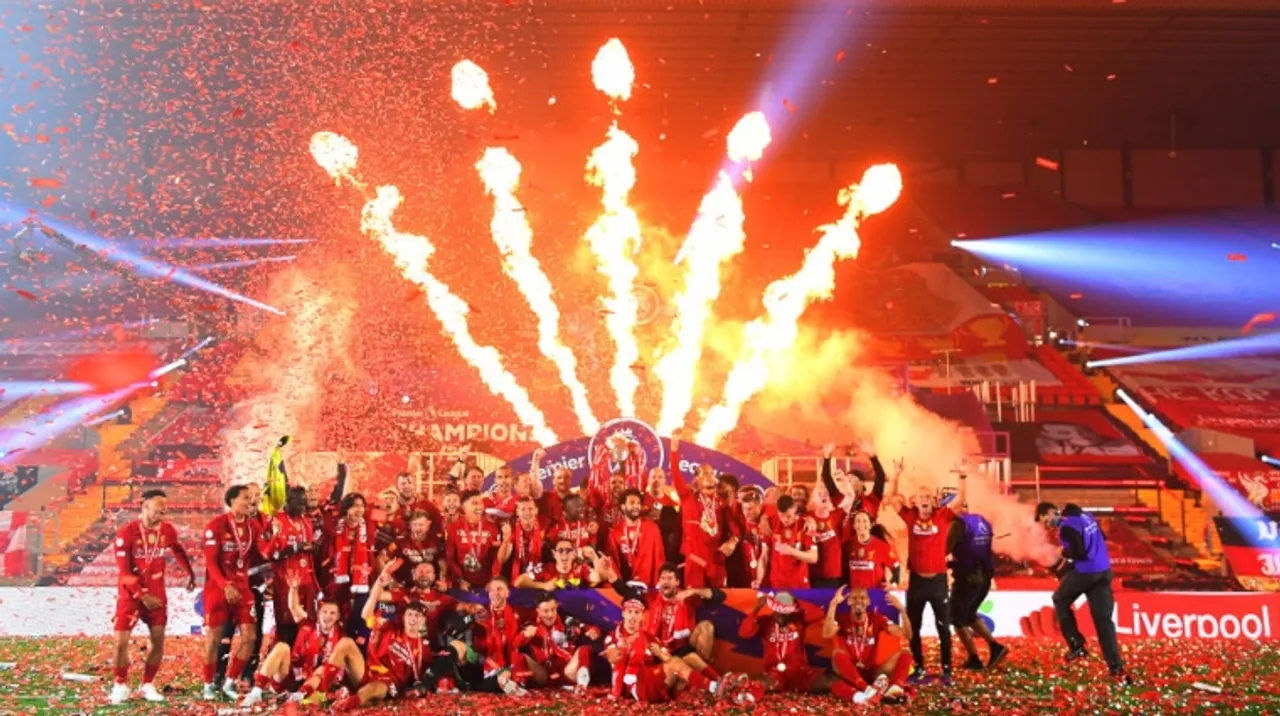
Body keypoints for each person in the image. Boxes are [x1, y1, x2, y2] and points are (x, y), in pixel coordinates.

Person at [109, 489, 195, 705]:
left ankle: (147, 684)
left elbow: (178, 550)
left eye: (164, 509)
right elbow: (124, 572)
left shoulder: (167, 530)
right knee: (121, 642)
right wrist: (141, 594)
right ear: (144, 506)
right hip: (131, 595)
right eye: (158, 508)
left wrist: (190, 573)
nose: (162, 513)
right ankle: (120, 684)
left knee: (158, 640)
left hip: (157, 595)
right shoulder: (127, 532)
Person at [886, 467, 966, 683]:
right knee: (914, 627)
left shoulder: (943, 516)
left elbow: (960, 501)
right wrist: (896, 476)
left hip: (938, 582)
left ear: (933, 501)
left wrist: (962, 477)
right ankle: (918, 667)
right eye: (921, 497)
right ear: (916, 500)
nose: (924, 500)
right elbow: (892, 498)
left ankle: (947, 670)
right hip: (917, 582)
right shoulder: (910, 516)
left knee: (943, 627)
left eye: (928, 497)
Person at [1036, 502, 1129, 682]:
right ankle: (1116, 666)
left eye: (1046, 520)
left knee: (1060, 598)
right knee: (1104, 622)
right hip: (1104, 571)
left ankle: (1076, 645)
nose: (1048, 525)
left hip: (1087, 572)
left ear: (1051, 512)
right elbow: (1102, 535)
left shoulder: (1066, 527)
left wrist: (1062, 551)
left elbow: (1079, 553)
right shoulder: (1086, 515)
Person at [603, 599, 740, 703]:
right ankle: (714, 687)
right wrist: (625, 647)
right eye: (629, 612)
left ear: (642, 616)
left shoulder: (649, 637)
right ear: (623, 613)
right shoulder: (613, 636)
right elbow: (613, 658)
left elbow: (667, 658)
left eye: (637, 612)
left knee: (689, 657)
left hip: (654, 679)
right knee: (675, 663)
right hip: (636, 686)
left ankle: (719, 681)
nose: (633, 616)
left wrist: (659, 653)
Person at [202, 484, 262, 701]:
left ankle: (229, 681)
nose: (250, 502)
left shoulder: (253, 526)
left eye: (251, 498)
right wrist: (225, 585)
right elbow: (210, 562)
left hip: (243, 589)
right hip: (218, 590)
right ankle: (208, 684)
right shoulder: (216, 525)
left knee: (250, 637)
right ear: (232, 500)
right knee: (213, 639)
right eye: (245, 498)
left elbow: (263, 552)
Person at [241, 585, 343, 707]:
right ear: (318, 613)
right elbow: (293, 607)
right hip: (292, 675)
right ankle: (256, 693)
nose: (327, 616)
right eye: (324, 612)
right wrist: (294, 588)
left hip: (313, 683)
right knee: (282, 647)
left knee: (322, 670)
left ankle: (296, 698)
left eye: (332, 613)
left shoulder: (341, 637)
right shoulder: (307, 624)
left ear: (338, 616)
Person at [609, 562, 721, 664]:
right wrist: (609, 572)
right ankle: (704, 679)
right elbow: (624, 590)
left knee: (706, 626)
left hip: (681, 647)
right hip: (658, 649)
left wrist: (694, 591)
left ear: (677, 582)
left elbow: (719, 596)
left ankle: (703, 672)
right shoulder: (651, 597)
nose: (665, 581)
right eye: (662, 578)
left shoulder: (687, 597)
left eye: (670, 578)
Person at [670, 430, 739, 588]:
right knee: (694, 600)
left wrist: (733, 541)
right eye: (704, 474)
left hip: (717, 559)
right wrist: (674, 450)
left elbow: (734, 527)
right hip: (695, 558)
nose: (709, 476)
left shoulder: (721, 502)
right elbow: (676, 473)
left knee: (720, 600)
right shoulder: (688, 497)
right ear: (697, 479)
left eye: (711, 473)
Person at [824, 586, 912, 705]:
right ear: (849, 601)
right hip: (851, 672)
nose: (859, 601)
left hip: (873, 671)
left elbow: (907, 634)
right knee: (837, 655)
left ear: (868, 601)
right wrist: (833, 606)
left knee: (905, 654)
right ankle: (866, 689)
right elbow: (827, 633)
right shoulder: (842, 619)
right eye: (854, 598)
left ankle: (895, 689)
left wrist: (902, 610)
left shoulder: (877, 619)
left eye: (862, 598)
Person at [737, 592, 830, 698]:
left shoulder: (798, 619)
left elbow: (819, 613)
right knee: (760, 684)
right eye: (778, 611)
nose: (781, 616)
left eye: (785, 612)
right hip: (775, 674)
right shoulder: (766, 622)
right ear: (774, 609)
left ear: (790, 612)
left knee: (827, 683)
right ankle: (740, 693)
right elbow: (744, 633)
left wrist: (798, 602)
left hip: (800, 673)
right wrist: (757, 609)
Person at [949, 510, 1008, 670]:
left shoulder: (957, 524)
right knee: (969, 615)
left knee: (957, 618)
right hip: (984, 575)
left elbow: (945, 548)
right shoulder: (982, 520)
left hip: (968, 577)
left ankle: (974, 658)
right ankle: (995, 647)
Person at [512, 592, 600, 692]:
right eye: (545, 611)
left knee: (584, 649)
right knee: (520, 656)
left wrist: (594, 631)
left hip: (567, 673)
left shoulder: (567, 621)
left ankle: (582, 685)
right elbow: (514, 645)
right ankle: (518, 687)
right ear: (538, 611)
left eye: (553, 610)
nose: (550, 615)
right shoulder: (531, 625)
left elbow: (588, 628)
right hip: (543, 675)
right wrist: (523, 636)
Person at [265, 486, 317, 646]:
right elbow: (271, 554)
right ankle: (284, 659)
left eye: (304, 503)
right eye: (299, 503)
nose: (303, 507)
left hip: (306, 579)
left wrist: (313, 548)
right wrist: (295, 548)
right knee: (286, 622)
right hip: (285, 580)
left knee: (307, 621)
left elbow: (309, 546)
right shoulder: (276, 521)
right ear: (288, 502)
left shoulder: (307, 521)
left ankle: (304, 658)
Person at [327, 493, 377, 638]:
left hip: (363, 579)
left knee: (360, 616)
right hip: (338, 579)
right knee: (337, 616)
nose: (359, 510)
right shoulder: (335, 526)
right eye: (355, 506)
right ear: (346, 508)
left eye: (361, 506)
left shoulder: (369, 524)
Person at [607, 488, 665, 587]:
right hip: (625, 587)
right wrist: (620, 586)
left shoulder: (652, 528)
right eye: (632, 503)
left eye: (638, 503)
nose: (636, 506)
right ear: (623, 507)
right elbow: (614, 562)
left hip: (648, 587)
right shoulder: (614, 532)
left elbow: (659, 558)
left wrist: (659, 584)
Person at [446, 494, 503, 590]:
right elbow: (450, 557)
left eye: (480, 503)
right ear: (464, 507)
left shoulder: (492, 527)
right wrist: (460, 579)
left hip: (487, 583)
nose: (479, 506)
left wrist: (493, 579)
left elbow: (497, 557)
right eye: (474, 503)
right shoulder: (454, 527)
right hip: (462, 583)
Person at [380, 510, 444, 587]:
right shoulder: (400, 541)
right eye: (414, 524)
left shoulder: (436, 540)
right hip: (406, 586)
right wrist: (390, 579)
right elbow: (382, 558)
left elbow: (443, 564)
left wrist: (442, 580)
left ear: (428, 526)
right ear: (410, 525)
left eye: (421, 525)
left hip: (430, 586)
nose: (417, 528)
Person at [515, 537, 605, 590]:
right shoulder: (545, 568)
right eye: (560, 550)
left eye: (568, 550)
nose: (564, 554)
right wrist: (544, 586)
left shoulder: (581, 568)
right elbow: (519, 581)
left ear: (573, 554)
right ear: (554, 554)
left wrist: (594, 557)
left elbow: (597, 578)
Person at [768, 495, 817, 589]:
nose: (785, 519)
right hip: (777, 583)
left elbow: (814, 557)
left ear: (795, 509)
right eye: (782, 516)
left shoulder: (806, 525)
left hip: (799, 583)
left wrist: (792, 551)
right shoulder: (771, 522)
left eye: (789, 516)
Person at [845, 510, 897, 590]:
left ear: (870, 525)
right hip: (855, 595)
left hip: (875, 594)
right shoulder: (848, 545)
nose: (861, 524)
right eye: (858, 521)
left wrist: (893, 584)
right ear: (854, 526)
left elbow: (896, 566)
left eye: (865, 521)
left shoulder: (881, 545)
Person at [806, 486, 845, 588]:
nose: (823, 494)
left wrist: (844, 482)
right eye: (820, 493)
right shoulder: (806, 517)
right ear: (813, 499)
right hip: (813, 574)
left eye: (826, 493)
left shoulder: (836, 515)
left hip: (833, 575)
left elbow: (850, 498)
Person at [501, 497, 547, 581]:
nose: (527, 512)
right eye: (523, 509)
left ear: (536, 511)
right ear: (517, 512)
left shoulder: (544, 527)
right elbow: (502, 560)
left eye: (530, 509)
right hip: (517, 574)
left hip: (539, 571)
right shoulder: (511, 528)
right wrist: (506, 539)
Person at [547, 493, 599, 561]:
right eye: (576, 507)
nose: (581, 509)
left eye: (582, 506)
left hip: (585, 564)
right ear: (565, 511)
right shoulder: (556, 528)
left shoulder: (588, 525)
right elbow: (552, 554)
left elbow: (592, 552)